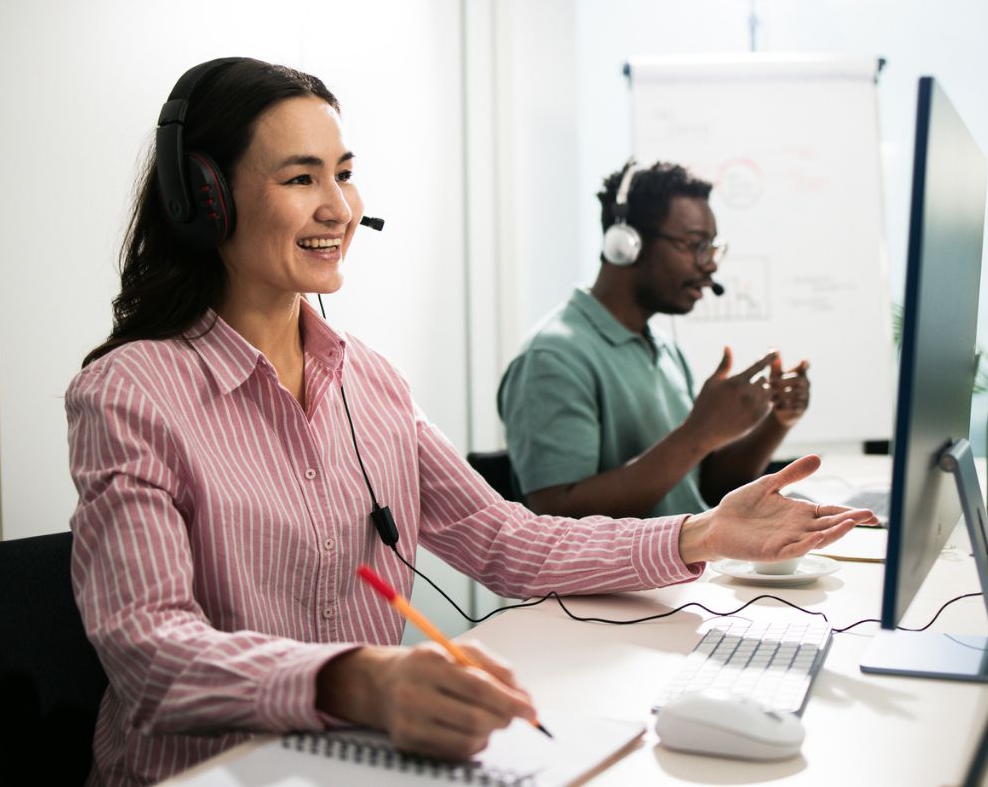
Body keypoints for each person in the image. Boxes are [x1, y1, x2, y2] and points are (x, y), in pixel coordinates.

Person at [66, 58, 873, 786]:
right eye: (300, 178)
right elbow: (149, 651)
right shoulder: (131, 392)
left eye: (344, 174)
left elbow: (506, 542)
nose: (339, 207)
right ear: (205, 200)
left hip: (357, 759)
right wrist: (358, 679)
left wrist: (703, 534)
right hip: (213, 773)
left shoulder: (368, 383)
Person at [497, 160, 810, 519]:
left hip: (692, 567)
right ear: (626, 244)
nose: (709, 266)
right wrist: (700, 432)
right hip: (630, 577)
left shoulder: (663, 349)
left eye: (712, 248)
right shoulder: (552, 358)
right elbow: (558, 517)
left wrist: (776, 421)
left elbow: (701, 488)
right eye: (694, 245)